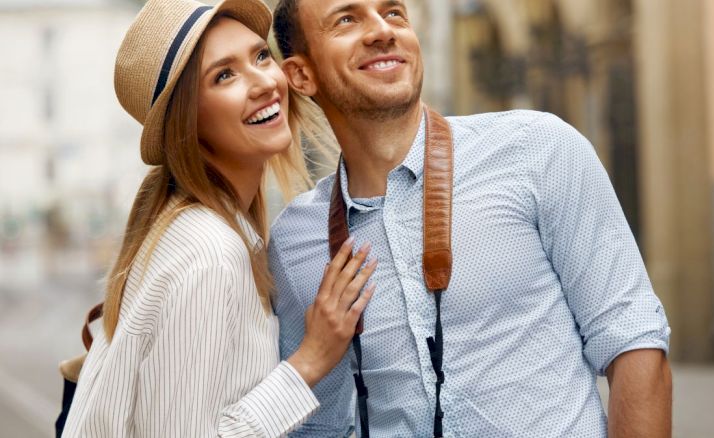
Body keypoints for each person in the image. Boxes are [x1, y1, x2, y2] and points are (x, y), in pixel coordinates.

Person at [268, 0, 673, 437]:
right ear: (301, 75)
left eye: (394, 13)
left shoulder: (539, 150)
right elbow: (318, 426)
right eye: (347, 19)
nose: (382, 30)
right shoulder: (296, 242)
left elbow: (634, 344)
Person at [61, 0, 377, 436]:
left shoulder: (205, 227)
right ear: (188, 122)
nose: (264, 82)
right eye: (223, 75)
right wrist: (311, 359)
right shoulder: (210, 253)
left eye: (260, 55)